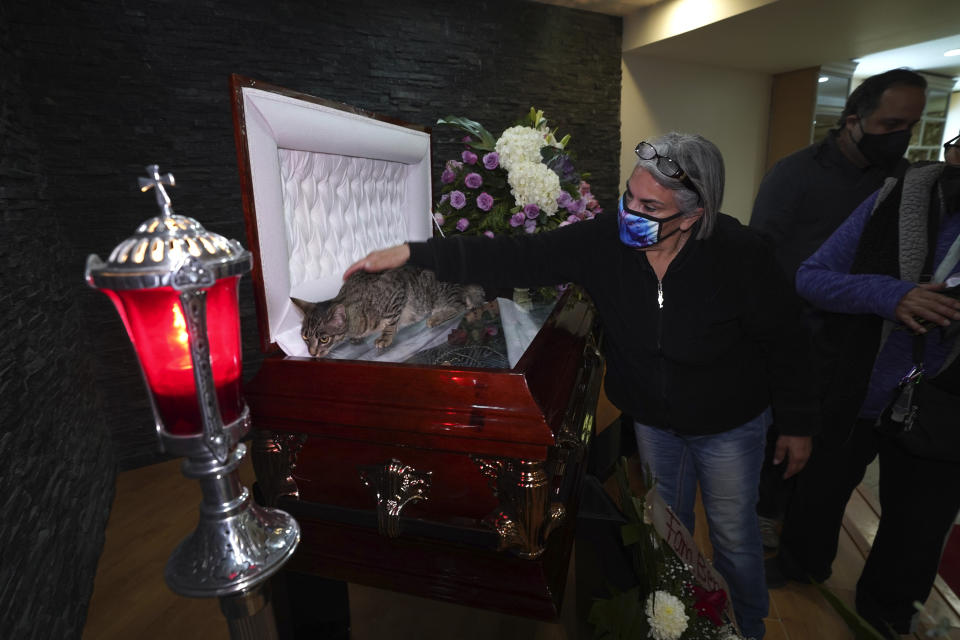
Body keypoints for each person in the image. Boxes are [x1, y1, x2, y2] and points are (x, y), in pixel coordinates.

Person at [345, 132, 820, 639]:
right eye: (629, 197)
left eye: (649, 206)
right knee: (668, 532)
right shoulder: (604, 240)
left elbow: (789, 341)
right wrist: (413, 254)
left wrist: (797, 424)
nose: (630, 212)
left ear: (692, 216)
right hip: (655, 424)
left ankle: (745, 629)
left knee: (733, 536)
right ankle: (681, 624)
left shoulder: (743, 255)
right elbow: (516, 256)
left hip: (728, 424)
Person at [775, 155, 960, 637]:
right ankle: (800, 568)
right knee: (817, 497)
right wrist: (891, 295)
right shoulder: (895, 199)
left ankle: (885, 616)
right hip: (858, 387)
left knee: (919, 530)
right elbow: (810, 277)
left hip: (947, 409)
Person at [749, 69, 927, 552]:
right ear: (854, 120)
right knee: (780, 442)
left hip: (861, 344)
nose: (901, 137)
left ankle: (803, 536)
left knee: (831, 453)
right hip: (794, 335)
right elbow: (759, 261)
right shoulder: (795, 174)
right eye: (891, 125)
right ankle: (765, 518)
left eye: (911, 126)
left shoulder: (904, 184)